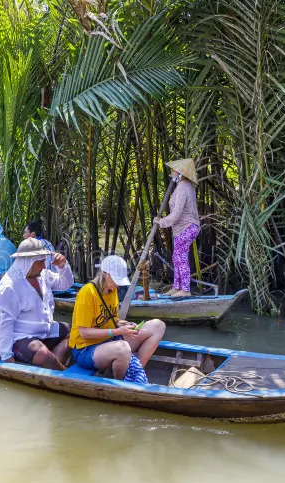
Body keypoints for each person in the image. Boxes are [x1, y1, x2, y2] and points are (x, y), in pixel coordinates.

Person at [69, 255, 165, 382]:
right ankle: (120, 382)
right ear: (105, 274)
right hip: (86, 349)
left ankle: (135, 372)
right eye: (115, 280)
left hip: (109, 340)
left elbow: (112, 320)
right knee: (123, 349)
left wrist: (125, 325)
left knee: (158, 326)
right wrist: (117, 332)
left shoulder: (112, 289)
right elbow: (84, 332)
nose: (118, 285)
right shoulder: (87, 293)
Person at [0, 238, 74, 369]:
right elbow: (5, 323)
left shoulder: (42, 275)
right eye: (40, 263)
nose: (44, 266)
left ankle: (55, 365)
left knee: (75, 333)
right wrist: (6, 356)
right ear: (28, 262)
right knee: (42, 353)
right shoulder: (10, 286)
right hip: (17, 337)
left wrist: (63, 267)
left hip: (44, 331)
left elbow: (65, 284)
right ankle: (64, 374)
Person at [155, 158, 200, 297]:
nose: (172, 172)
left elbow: (176, 214)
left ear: (181, 173)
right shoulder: (184, 186)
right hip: (182, 228)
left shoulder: (183, 187)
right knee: (176, 257)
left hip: (187, 227)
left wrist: (160, 222)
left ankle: (185, 290)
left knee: (181, 257)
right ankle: (177, 287)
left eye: (175, 170)